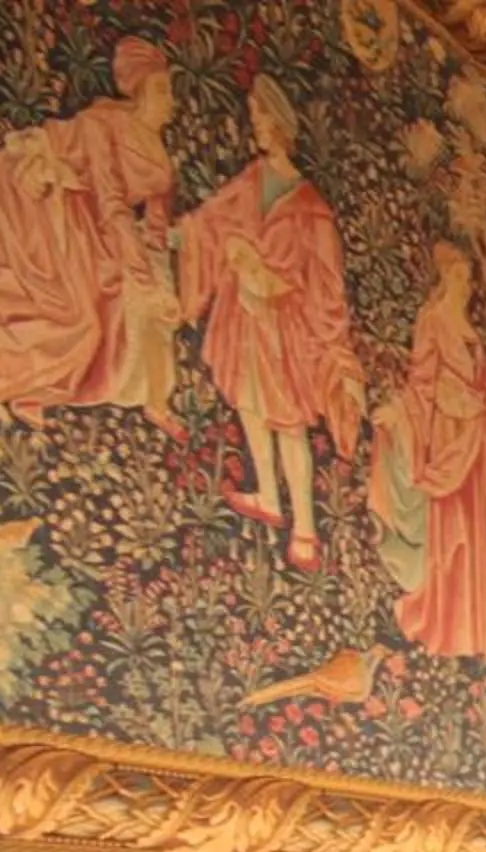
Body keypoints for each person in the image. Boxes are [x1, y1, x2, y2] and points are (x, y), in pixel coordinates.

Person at [179, 75, 365, 572]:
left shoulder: (311, 208)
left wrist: (280, 287)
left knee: (288, 423)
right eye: (254, 117)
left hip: (285, 330)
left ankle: (305, 529)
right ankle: (268, 494)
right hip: (244, 318)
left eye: (261, 117)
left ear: (280, 123)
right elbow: (210, 221)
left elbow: (326, 282)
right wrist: (182, 237)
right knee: (250, 406)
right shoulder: (251, 180)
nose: (256, 126)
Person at [0, 37, 184, 435]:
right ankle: (7, 373)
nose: (170, 101)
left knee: (127, 312)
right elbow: (111, 201)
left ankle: (152, 401)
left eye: (170, 91)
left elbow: (157, 219)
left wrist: (157, 274)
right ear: (140, 91)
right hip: (53, 204)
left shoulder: (161, 156)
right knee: (80, 317)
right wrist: (143, 278)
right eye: (162, 90)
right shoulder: (103, 123)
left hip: (96, 221)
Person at [369, 241, 486, 672]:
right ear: (445, 277)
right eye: (460, 276)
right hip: (447, 437)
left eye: (468, 277)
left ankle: (478, 634)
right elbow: (422, 381)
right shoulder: (433, 320)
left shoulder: (473, 333)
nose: (466, 284)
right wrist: (399, 413)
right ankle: (447, 625)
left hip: (476, 444)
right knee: (452, 534)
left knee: (478, 537)